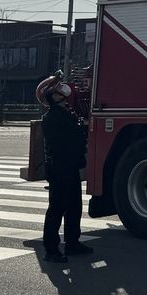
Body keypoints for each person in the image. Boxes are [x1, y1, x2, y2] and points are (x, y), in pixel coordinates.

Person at [36, 74, 92, 263]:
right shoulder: (53, 117)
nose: (63, 88)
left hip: (69, 166)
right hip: (60, 168)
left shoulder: (65, 112)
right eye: (58, 87)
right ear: (53, 95)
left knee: (74, 206)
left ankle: (72, 243)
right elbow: (67, 141)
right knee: (57, 208)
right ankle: (51, 250)